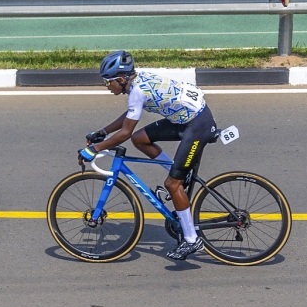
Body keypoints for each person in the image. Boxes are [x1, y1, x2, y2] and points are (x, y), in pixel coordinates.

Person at [81, 50, 219, 261]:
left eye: (108, 82)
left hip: (197, 125)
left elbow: (124, 133)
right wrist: (102, 132)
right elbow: (130, 115)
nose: (107, 87)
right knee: (140, 139)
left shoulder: (137, 91)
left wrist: (94, 150)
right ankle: (180, 172)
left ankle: (192, 240)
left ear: (120, 79)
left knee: (172, 184)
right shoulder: (138, 81)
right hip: (185, 118)